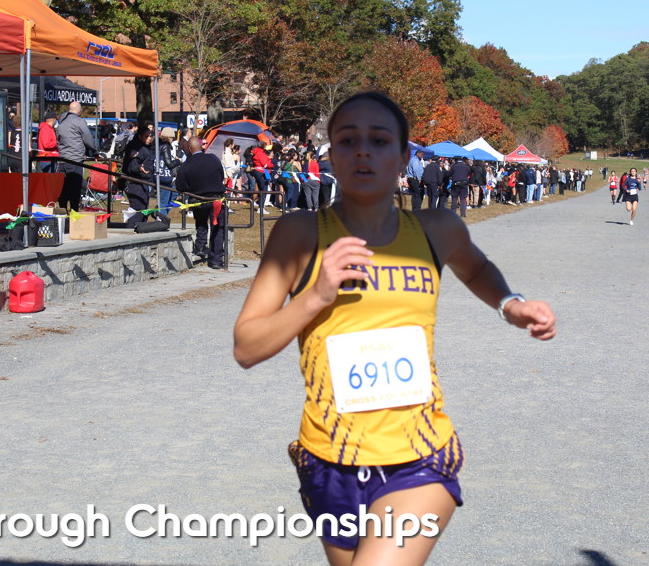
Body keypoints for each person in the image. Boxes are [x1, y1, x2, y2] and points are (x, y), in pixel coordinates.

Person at [233, 92, 556, 565]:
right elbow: (246, 347)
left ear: (405, 156)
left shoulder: (437, 228)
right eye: (348, 141)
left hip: (419, 455)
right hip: (330, 458)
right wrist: (316, 295)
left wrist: (511, 304)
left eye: (380, 141)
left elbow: (477, 268)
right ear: (331, 154)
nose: (363, 151)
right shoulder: (299, 234)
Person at [175, 136, 227, 269]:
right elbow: (221, 175)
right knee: (218, 228)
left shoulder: (186, 165)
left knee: (201, 223)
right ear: (201, 146)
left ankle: (200, 246)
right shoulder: (213, 159)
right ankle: (216, 259)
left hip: (198, 199)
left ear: (190, 148)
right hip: (216, 199)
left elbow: (180, 186)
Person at [56, 101, 97, 212]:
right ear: (79, 110)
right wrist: (94, 150)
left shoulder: (61, 122)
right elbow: (88, 138)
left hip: (62, 159)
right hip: (75, 159)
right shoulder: (79, 121)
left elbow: (58, 140)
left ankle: (63, 212)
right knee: (75, 189)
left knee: (64, 188)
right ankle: (74, 212)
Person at [121, 122, 155, 226]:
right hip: (135, 182)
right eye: (146, 136)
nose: (149, 139)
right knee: (138, 209)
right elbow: (131, 164)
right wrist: (139, 168)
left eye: (150, 136)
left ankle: (140, 228)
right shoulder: (137, 148)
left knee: (143, 209)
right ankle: (131, 229)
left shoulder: (145, 147)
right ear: (140, 136)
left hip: (144, 181)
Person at [156, 127, 181, 215]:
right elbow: (169, 163)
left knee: (173, 194)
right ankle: (161, 218)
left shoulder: (156, 144)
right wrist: (178, 161)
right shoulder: (166, 146)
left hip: (161, 175)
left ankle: (158, 213)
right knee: (163, 202)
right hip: (164, 176)